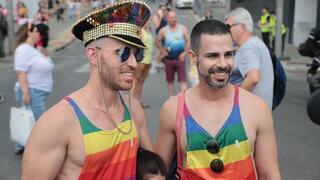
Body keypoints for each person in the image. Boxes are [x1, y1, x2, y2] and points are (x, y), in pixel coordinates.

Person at [22, 1, 154, 179]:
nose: (133, 63)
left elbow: (153, 170)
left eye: (137, 54)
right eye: (123, 52)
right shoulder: (57, 122)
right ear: (93, 55)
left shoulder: (134, 110)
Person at [156, 19, 281, 179]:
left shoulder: (257, 108)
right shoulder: (172, 110)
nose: (223, 64)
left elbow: (269, 174)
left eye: (228, 54)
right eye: (213, 56)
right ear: (193, 58)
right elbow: (158, 174)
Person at [14, 23, 54, 154]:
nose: (39, 34)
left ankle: (22, 145)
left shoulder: (34, 49)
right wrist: (26, 93)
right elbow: (21, 73)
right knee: (40, 122)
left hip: (38, 91)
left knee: (30, 119)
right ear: (29, 33)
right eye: (36, 31)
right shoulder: (23, 49)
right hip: (32, 91)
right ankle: (41, 150)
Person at [224, 7, 274, 109]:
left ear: (242, 27)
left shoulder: (249, 47)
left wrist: (232, 99)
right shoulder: (254, 43)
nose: (226, 31)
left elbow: (253, 78)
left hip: (249, 113)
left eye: (228, 26)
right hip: (257, 111)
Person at [156, 10, 190, 96]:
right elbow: (157, 41)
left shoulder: (183, 28)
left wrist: (185, 53)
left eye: (175, 17)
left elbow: (188, 41)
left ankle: (184, 100)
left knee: (183, 80)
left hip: (180, 59)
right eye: (172, 18)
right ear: (167, 19)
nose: (174, 19)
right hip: (169, 60)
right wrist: (163, 51)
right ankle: (171, 99)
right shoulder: (164, 30)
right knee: (170, 81)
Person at [131, 19, 153, 108]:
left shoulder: (148, 31)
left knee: (141, 82)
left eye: (149, 21)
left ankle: (138, 102)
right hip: (141, 61)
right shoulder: (140, 31)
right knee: (135, 81)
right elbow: (134, 45)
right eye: (147, 20)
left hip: (148, 61)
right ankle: (130, 104)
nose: (149, 22)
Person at [153, 5, 168, 71]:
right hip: (159, 35)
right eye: (162, 10)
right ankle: (157, 63)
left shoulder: (166, 16)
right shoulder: (156, 16)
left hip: (165, 35)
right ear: (159, 10)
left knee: (164, 49)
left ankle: (160, 61)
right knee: (160, 49)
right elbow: (157, 26)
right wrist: (160, 17)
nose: (164, 11)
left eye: (165, 9)